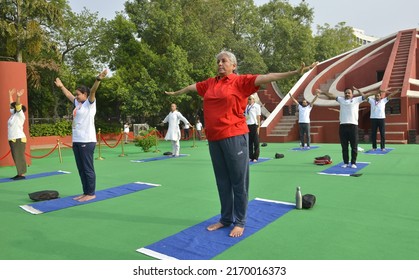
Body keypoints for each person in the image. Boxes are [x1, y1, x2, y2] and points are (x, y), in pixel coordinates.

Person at [166, 50, 317, 237]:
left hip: (234, 137)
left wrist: (294, 73)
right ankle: (225, 219)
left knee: (238, 181)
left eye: (224, 61)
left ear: (234, 65)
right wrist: (177, 92)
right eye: (218, 61)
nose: (220, 64)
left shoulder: (241, 82)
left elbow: (267, 77)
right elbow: (192, 87)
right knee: (222, 181)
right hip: (214, 139)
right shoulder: (210, 84)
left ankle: (240, 220)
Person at [54, 69, 108, 202]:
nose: (76, 96)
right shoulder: (78, 104)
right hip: (77, 140)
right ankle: (85, 192)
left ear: (85, 94)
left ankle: (91, 193)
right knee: (81, 168)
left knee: (87, 168)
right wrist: (61, 86)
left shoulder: (90, 104)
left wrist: (98, 79)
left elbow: (93, 91)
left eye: (78, 94)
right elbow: (68, 95)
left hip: (87, 140)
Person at [317, 87, 366, 168]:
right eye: (346, 93)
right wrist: (322, 92)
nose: (347, 94)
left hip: (353, 126)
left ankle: (353, 163)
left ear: (352, 94)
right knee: (344, 146)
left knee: (354, 146)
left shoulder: (357, 100)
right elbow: (331, 96)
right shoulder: (341, 100)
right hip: (343, 126)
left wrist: (359, 91)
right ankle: (346, 162)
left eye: (349, 93)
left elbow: (365, 96)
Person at [8, 88, 27, 180]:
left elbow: (17, 105)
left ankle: (22, 174)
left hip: (19, 138)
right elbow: (11, 105)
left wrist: (18, 97)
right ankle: (19, 173)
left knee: (19, 156)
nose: (12, 107)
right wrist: (10, 95)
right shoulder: (13, 115)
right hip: (13, 138)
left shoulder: (20, 115)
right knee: (16, 156)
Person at [245, 94, 261, 161]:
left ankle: (255, 157)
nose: (249, 100)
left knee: (256, 142)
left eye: (250, 99)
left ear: (254, 100)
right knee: (249, 142)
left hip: (254, 125)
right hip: (248, 125)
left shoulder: (256, 106)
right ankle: (250, 156)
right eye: (248, 99)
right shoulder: (246, 107)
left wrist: (259, 126)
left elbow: (258, 116)